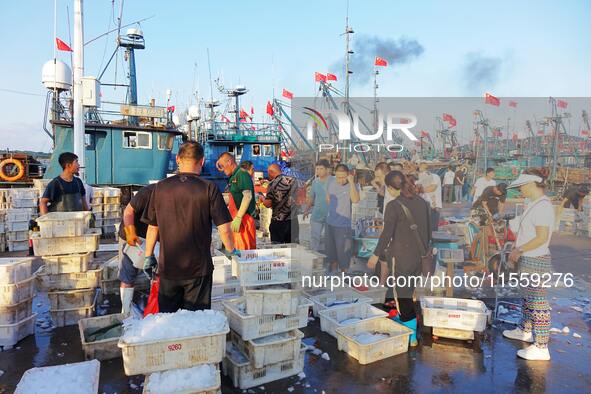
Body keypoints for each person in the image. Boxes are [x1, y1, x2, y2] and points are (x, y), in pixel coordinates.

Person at [143, 142, 237, 313]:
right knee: (195, 325)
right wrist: (231, 250)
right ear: (201, 162)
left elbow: (152, 227)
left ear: (178, 159)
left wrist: (148, 256)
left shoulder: (160, 187)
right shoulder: (209, 188)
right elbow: (224, 228)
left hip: (168, 269)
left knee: (169, 323)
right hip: (198, 271)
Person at [368, 171, 431, 347]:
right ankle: (407, 318)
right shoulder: (423, 202)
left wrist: (375, 255)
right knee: (408, 291)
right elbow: (428, 230)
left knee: (401, 294)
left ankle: (411, 336)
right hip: (419, 255)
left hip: (401, 257)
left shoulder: (393, 205)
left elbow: (386, 234)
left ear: (390, 187)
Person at [503, 169, 555, 361]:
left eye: (522, 186)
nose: (520, 190)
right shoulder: (534, 204)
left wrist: (518, 250)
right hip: (529, 258)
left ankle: (541, 346)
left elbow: (541, 238)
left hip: (535, 259)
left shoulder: (542, 206)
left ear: (533, 183)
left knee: (538, 302)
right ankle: (525, 329)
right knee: (527, 297)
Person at [117, 183, 155, 315]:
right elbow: (128, 211)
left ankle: (153, 307)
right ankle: (125, 311)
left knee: (156, 273)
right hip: (131, 235)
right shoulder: (148, 192)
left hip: (152, 237)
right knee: (128, 275)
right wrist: (130, 232)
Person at [216, 152, 257, 250]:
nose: (221, 169)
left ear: (229, 162)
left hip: (244, 221)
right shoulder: (233, 176)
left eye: (222, 166)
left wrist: (238, 217)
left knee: (244, 252)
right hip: (237, 221)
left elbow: (247, 196)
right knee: (236, 252)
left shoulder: (242, 174)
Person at [325, 164, 360, 273]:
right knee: (332, 255)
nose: (340, 180)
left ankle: (344, 279)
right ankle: (334, 277)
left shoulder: (352, 185)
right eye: (338, 177)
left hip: (343, 226)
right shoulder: (331, 182)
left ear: (348, 175)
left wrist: (351, 182)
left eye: (343, 177)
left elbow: (355, 200)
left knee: (344, 256)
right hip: (330, 223)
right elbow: (328, 199)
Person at [263, 163, 299, 244]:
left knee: (277, 249)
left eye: (269, 174)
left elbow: (268, 203)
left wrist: (263, 200)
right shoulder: (294, 180)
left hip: (278, 222)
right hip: (293, 221)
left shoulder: (272, 184)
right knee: (293, 247)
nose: (269, 176)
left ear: (271, 172)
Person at [305, 160, 332, 252]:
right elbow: (311, 197)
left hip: (331, 215)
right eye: (317, 169)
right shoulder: (315, 182)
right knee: (314, 237)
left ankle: (328, 258)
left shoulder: (334, 180)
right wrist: (306, 210)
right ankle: (314, 257)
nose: (318, 171)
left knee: (328, 239)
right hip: (317, 214)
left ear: (327, 169)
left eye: (321, 169)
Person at [417, 162, 442, 231]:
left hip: (433, 207)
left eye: (422, 169)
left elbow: (432, 188)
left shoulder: (435, 176)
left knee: (432, 229)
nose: (420, 172)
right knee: (423, 229)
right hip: (422, 206)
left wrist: (418, 190)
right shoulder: (420, 178)